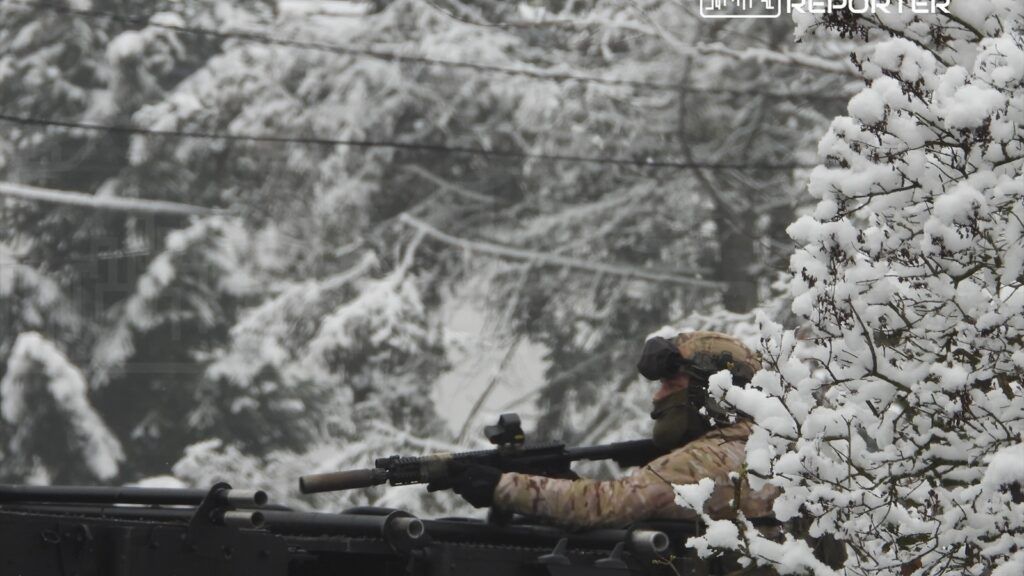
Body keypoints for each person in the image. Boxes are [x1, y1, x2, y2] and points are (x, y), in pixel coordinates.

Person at [443, 331, 781, 529]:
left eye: (670, 383)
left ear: (713, 394)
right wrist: (565, 484)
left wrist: (501, 486)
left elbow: (608, 506)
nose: (659, 395)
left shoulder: (710, 462)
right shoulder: (773, 445)